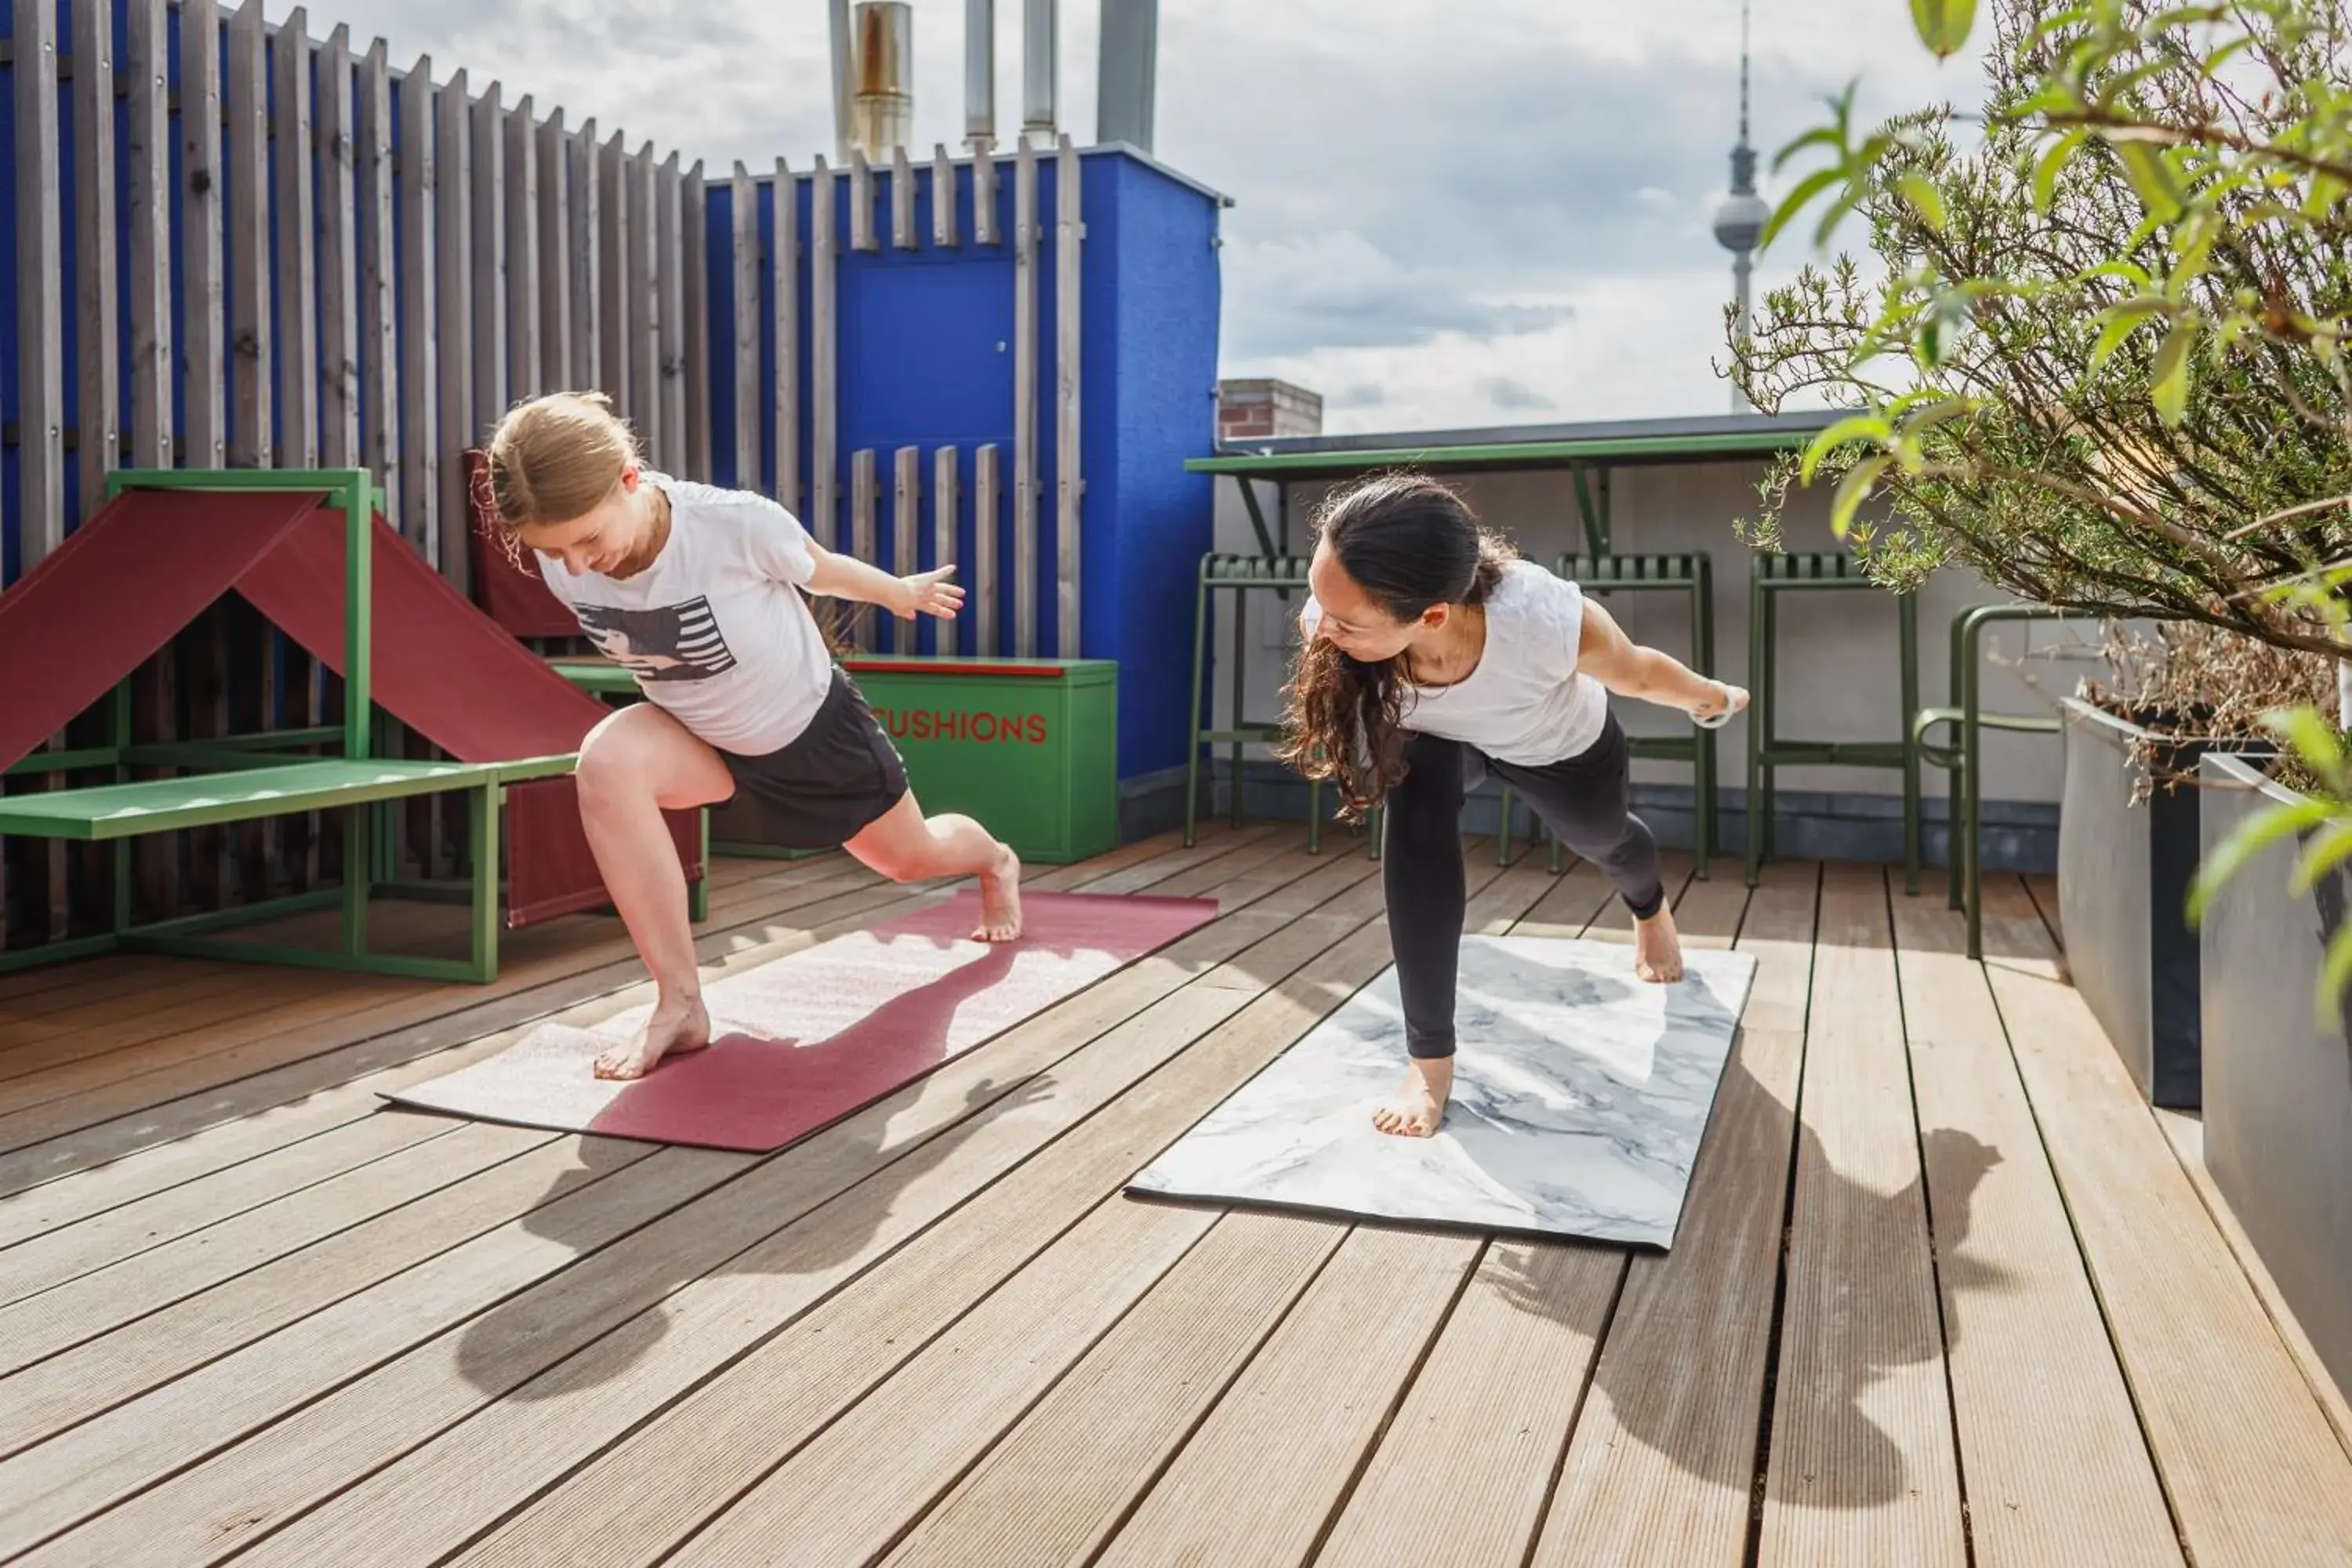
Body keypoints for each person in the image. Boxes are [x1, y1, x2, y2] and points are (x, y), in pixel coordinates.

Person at [481, 390, 1024, 1080]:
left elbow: (820, 567)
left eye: (588, 540)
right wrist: (574, 550)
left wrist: (898, 592)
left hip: (811, 734)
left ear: (628, 478)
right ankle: (680, 1004)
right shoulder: (564, 558)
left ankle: (995, 861)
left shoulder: (733, 526)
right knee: (607, 762)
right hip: (702, 743)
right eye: (553, 550)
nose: (576, 566)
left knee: (910, 860)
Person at [1280, 471, 1748, 1138]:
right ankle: (1429, 1064)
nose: (1320, 628)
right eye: (1318, 598)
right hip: (1439, 738)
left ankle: (1649, 908)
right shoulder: (1337, 618)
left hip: (1554, 745)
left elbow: (1640, 670)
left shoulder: (1544, 620)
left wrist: (1713, 697)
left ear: (1432, 615)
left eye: (1346, 620)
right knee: (1412, 830)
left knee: (1606, 839)